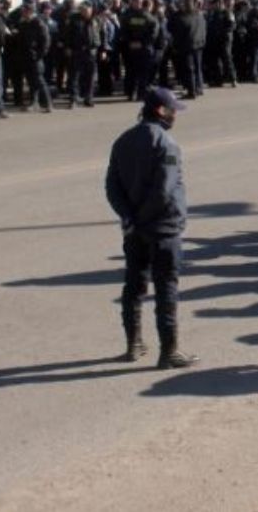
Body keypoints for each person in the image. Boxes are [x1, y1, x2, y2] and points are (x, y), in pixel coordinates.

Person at [104, 87, 198, 369]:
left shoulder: (123, 140)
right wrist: (144, 219)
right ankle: (169, 351)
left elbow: (112, 186)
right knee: (166, 286)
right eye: (172, 110)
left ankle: (133, 344)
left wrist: (129, 217)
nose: (175, 115)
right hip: (163, 228)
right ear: (160, 111)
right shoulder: (166, 144)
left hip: (134, 229)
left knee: (134, 285)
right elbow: (164, 190)